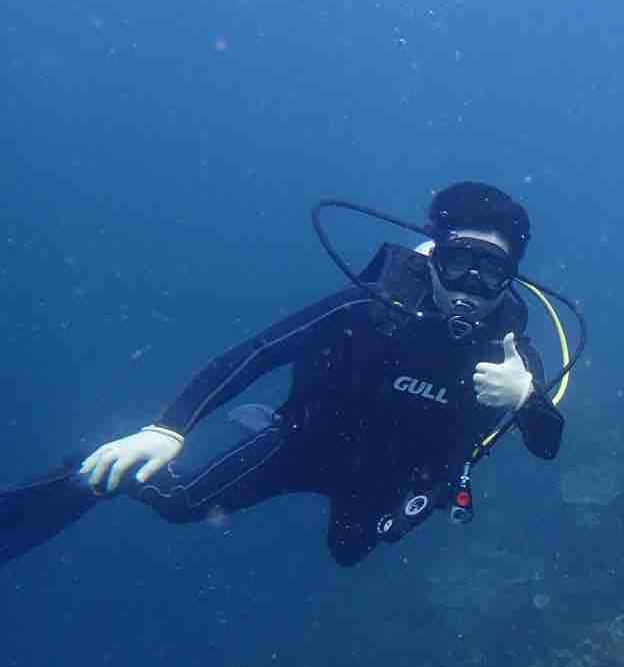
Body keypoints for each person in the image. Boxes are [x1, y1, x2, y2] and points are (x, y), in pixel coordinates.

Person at [0, 181, 566, 567]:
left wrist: (525, 397)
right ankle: (89, 473)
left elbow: (547, 445)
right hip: (307, 442)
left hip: (389, 477)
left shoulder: (510, 352)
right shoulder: (371, 307)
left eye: (491, 272)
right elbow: (259, 352)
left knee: (350, 555)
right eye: (459, 261)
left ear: (511, 280)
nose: (471, 285)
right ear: (432, 259)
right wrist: (166, 429)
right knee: (181, 504)